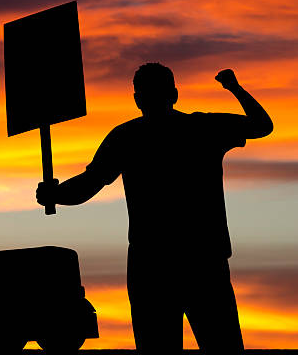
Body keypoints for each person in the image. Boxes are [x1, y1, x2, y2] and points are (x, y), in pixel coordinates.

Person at [36, 63, 273, 354]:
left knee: (161, 351)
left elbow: (88, 185)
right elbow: (262, 125)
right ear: (174, 94)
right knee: (221, 348)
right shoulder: (203, 129)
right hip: (200, 260)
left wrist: (55, 195)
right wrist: (234, 88)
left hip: (155, 264)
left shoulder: (128, 137)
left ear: (137, 100)